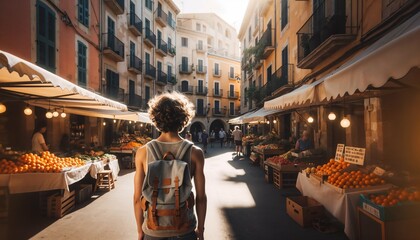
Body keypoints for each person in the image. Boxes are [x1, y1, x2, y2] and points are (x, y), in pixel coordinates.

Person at [134, 92, 207, 240]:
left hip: (153, 229)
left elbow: (137, 198)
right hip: (184, 228)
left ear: (156, 118)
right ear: (183, 118)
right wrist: (200, 229)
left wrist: (140, 231)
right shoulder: (195, 153)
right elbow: (201, 198)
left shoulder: (143, 152)